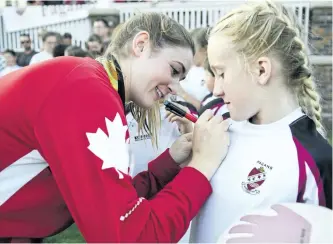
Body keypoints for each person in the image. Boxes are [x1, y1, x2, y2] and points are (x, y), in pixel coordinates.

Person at [0, 12, 230, 243]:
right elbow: (129, 236)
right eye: (173, 70)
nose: (174, 87)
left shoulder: (87, 80)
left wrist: (169, 162)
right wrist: (202, 165)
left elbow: (110, 201)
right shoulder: (87, 92)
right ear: (141, 45)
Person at [187, 1, 332, 243]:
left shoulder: (314, 160)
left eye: (221, 73)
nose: (217, 90)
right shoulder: (216, 120)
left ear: (261, 70)